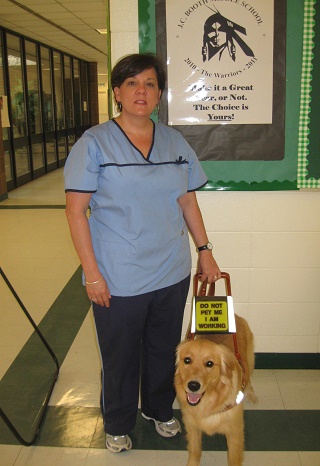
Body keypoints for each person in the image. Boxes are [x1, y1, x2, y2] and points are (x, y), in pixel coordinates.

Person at [64, 53, 221, 454]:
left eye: (150, 84)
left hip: (171, 269)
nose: (141, 91)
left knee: (163, 347)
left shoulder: (174, 140)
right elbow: (76, 210)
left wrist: (204, 251)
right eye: (132, 83)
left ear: (159, 94)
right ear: (117, 92)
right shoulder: (94, 143)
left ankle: (157, 409)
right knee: (120, 355)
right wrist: (92, 274)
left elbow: (187, 201)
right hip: (119, 275)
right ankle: (117, 421)